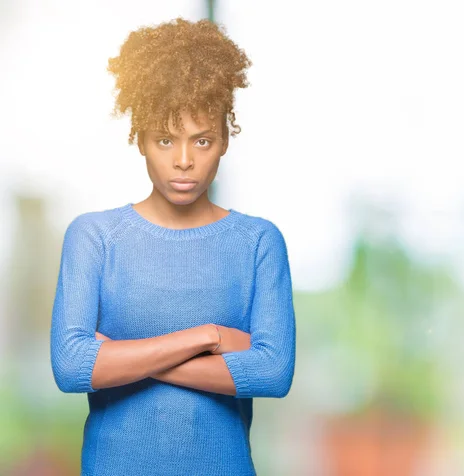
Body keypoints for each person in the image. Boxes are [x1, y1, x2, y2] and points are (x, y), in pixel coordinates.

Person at [49, 17, 296, 476]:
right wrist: (207, 338)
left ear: (224, 140)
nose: (184, 160)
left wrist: (122, 357)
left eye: (202, 140)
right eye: (166, 140)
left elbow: (273, 373)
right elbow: (70, 368)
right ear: (140, 140)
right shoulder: (95, 238)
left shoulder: (258, 242)